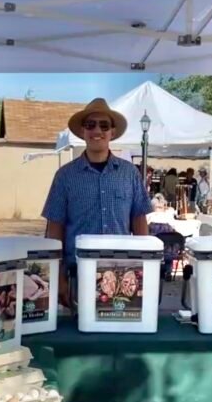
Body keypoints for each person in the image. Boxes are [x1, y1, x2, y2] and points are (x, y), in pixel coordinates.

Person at [43, 98, 152, 307]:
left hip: (122, 275)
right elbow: (54, 229)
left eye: (104, 125)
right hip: (78, 274)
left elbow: (140, 223)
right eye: (90, 125)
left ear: (112, 132)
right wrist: (57, 277)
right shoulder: (65, 176)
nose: (97, 131)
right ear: (83, 131)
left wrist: (143, 270)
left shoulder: (129, 174)